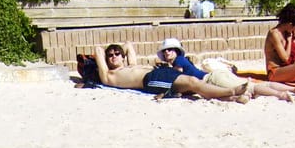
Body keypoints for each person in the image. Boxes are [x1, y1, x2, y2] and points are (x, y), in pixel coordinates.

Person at [157, 37, 295, 102]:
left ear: (176, 51)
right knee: (253, 85)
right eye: (165, 51)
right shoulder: (182, 60)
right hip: (214, 76)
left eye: (170, 50)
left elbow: (179, 77)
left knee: (251, 87)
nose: (167, 52)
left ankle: (282, 95)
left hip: (211, 79)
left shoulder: (179, 61)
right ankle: (293, 89)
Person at [95, 41, 247, 101]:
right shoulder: (109, 75)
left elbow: (128, 45)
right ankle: (231, 91)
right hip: (151, 79)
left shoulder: (130, 65)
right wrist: (108, 55)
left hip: (161, 72)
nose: (113, 57)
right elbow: (98, 50)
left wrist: (120, 52)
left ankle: (233, 98)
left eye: (117, 54)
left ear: (123, 56)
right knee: (192, 82)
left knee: (192, 86)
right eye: (110, 55)